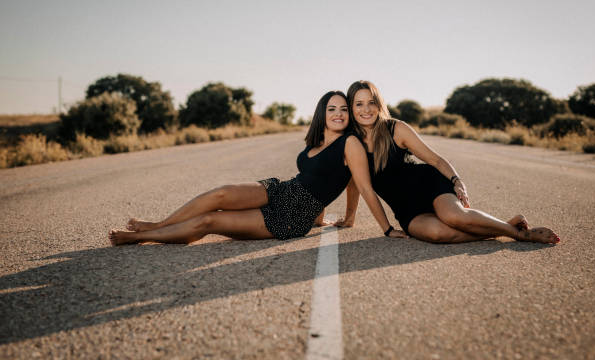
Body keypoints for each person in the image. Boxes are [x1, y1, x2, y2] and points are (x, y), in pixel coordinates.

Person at [108, 91, 406, 246]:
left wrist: (385, 227)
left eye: (344, 109)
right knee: (221, 193)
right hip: (281, 189)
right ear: (322, 113)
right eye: (332, 108)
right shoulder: (318, 139)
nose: (339, 113)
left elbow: (360, 184)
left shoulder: (351, 144)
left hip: (290, 216)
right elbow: (321, 177)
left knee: (210, 222)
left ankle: (142, 237)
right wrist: (328, 216)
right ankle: (159, 225)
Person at [333, 80, 560, 244]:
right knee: (440, 234)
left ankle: (520, 234)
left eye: (371, 102)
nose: (366, 109)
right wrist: (379, 226)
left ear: (378, 103)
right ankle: (508, 225)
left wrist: (457, 180)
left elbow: (435, 159)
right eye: (359, 104)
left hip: (428, 185)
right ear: (351, 108)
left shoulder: (396, 128)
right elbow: (358, 184)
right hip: (406, 208)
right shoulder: (351, 143)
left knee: (454, 217)